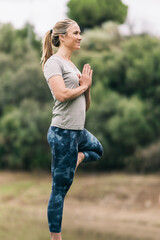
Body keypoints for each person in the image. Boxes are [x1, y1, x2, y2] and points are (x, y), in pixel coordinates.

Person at [41, 18, 103, 240]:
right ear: (62, 37)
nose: (80, 37)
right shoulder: (53, 63)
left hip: (77, 132)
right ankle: (55, 238)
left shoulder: (73, 66)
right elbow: (61, 95)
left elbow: (84, 105)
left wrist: (87, 88)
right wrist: (83, 85)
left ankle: (78, 157)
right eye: (76, 33)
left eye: (80, 33)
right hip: (63, 133)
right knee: (60, 190)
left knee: (98, 150)